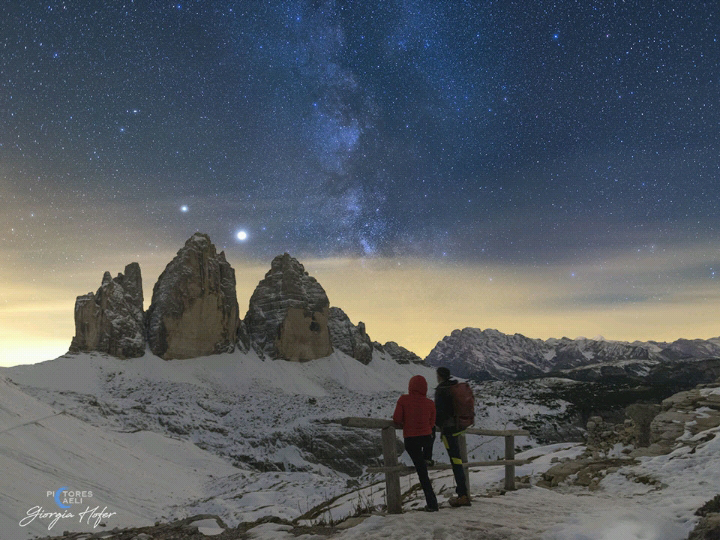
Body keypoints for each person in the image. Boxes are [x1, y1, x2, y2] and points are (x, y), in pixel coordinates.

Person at [392, 375, 439, 512]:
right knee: (423, 469)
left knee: (422, 472)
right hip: (426, 439)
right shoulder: (430, 403)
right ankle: (427, 457)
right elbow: (432, 423)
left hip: (411, 440)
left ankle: (432, 504)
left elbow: (396, 419)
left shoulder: (403, 400)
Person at [435, 366, 471, 507]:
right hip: (458, 427)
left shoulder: (441, 390)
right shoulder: (454, 387)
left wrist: (436, 424)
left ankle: (462, 495)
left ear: (440, 376)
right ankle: (463, 494)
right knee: (458, 460)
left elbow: (439, 412)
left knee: (456, 462)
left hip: (449, 429)